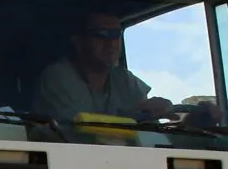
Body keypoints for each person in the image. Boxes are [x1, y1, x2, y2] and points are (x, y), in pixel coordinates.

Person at [34, 12, 171, 122]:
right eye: (101, 35)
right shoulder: (59, 76)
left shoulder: (123, 79)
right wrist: (131, 115)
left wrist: (159, 108)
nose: (111, 43)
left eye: (115, 35)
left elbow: (145, 112)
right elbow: (80, 133)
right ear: (79, 42)